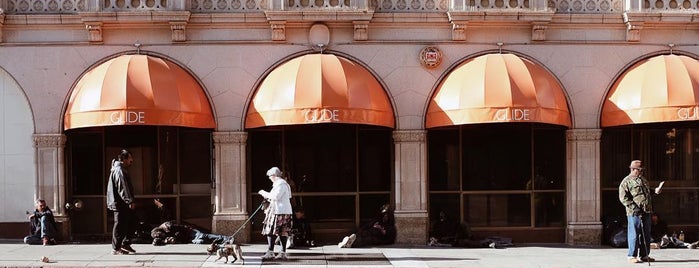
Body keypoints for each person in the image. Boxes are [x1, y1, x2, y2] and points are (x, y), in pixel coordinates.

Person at [618, 160, 655, 264]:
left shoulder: (643, 180)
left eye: (642, 170)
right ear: (633, 169)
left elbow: (647, 192)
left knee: (646, 234)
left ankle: (644, 255)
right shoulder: (626, 182)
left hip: (646, 210)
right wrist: (634, 207)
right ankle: (632, 256)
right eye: (639, 170)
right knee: (634, 233)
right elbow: (623, 198)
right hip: (634, 212)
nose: (641, 172)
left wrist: (655, 191)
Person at [258, 167, 293, 260]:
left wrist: (263, 193)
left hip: (278, 212)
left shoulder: (281, 184)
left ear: (274, 175)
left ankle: (272, 252)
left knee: (271, 231)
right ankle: (281, 252)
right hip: (282, 211)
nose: (269, 178)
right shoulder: (281, 184)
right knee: (282, 232)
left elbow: (275, 197)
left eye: (270, 176)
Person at [107, 149, 138, 255]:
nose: (132, 160)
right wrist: (129, 200)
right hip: (120, 203)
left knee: (132, 221)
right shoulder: (118, 170)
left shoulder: (121, 169)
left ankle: (125, 243)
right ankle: (116, 248)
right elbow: (122, 187)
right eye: (130, 158)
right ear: (123, 159)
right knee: (120, 224)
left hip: (122, 202)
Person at [150, 221, 230, 246]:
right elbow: (156, 242)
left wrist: (175, 236)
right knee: (201, 241)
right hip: (187, 239)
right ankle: (219, 244)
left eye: (161, 235)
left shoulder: (168, 226)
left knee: (203, 236)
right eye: (161, 236)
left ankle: (226, 239)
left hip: (189, 232)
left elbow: (181, 227)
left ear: (159, 231)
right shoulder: (160, 235)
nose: (163, 236)